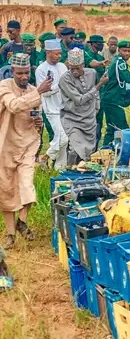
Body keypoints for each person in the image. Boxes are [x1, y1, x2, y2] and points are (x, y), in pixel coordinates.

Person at [0, 53, 53, 250]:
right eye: (19, 73)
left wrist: (37, 121)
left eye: (26, 72)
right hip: (5, 145)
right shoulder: (4, 87)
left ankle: (22, 222)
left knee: (26, 184)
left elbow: (34, 114)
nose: (23, 76)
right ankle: (10, 233)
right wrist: (38, 92)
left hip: (27, 145)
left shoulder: (33, 90)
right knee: (6, 190)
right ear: (12, 71)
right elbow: (13, 106)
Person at [59, 48, 107, 165]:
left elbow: (96, 95)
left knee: (88, 152)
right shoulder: (65, 79)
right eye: (72, 68)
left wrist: (97, 106)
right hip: (72, 118)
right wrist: (99, 85)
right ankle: (69, 171)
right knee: (74, 149)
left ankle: (83, 176)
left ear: (83, 65)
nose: (75, 71)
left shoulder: (92, 73)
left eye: (78, 68)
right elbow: (79, 100)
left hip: (89, 120)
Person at [35, 39, 69, 169]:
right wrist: (59, 85)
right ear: (48, 53)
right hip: (51, 109)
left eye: (60, 54)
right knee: (63, 138)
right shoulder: (41, 70)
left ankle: (60, 168)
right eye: (56, 54)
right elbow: (44, 92)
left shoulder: (62, 67)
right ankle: (46, 157)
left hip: (64, 107)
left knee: (64, 141)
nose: (59, 56)